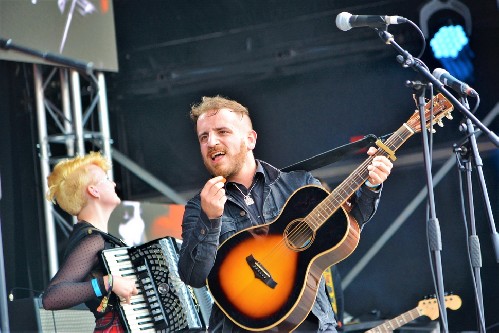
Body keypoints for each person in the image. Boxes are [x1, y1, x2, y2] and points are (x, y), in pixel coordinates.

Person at [178, 95, 393, 332]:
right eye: (204, 137)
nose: (211, 142)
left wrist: (371, 185)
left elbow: (347, 226)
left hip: (313, 324)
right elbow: (193, 276)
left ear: (250, 139)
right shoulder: (199, 206)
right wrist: (210, 219)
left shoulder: (299, 183)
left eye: (222, 132)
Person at [42, 152, 138, 332]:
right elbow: (51, 297)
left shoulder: (99, 238)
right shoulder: (92, 240)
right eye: (107, 179)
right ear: (93, 190)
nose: (114, 184)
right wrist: (108, 283)